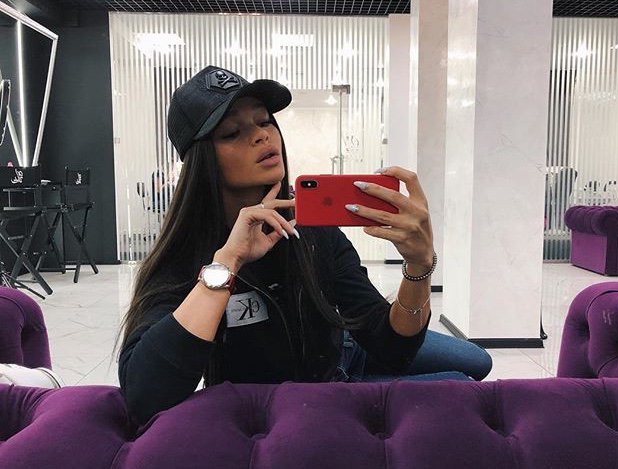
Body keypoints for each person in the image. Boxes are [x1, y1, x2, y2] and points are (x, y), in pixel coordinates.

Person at [118, 66, 492, 425]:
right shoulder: (187, 254)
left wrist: (418, 267)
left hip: (344, 344)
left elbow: (392, 347)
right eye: (232, 132)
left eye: (265, 121)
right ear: (202, 161)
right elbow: (144, 394)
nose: (262, 136)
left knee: (479, 361)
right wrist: (228, 262)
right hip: (312, 391)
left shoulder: (311, 230)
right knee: (462, 387)